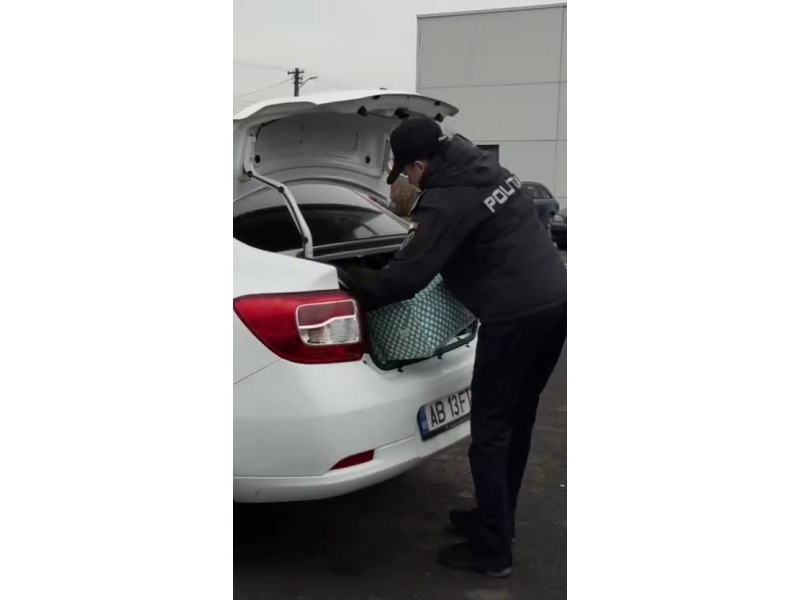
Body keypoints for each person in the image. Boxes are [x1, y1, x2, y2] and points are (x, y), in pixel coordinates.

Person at [352, 116, 567, 578]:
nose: (408, 182)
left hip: (514, 318)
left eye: (406, 173)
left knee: (489, 433)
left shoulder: (447, 198)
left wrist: (351, 285)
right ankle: (498, 519)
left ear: (419, 164)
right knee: (517, 421)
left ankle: (491, 551)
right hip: (556, 301)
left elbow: (406, 280)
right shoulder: (487, 169)